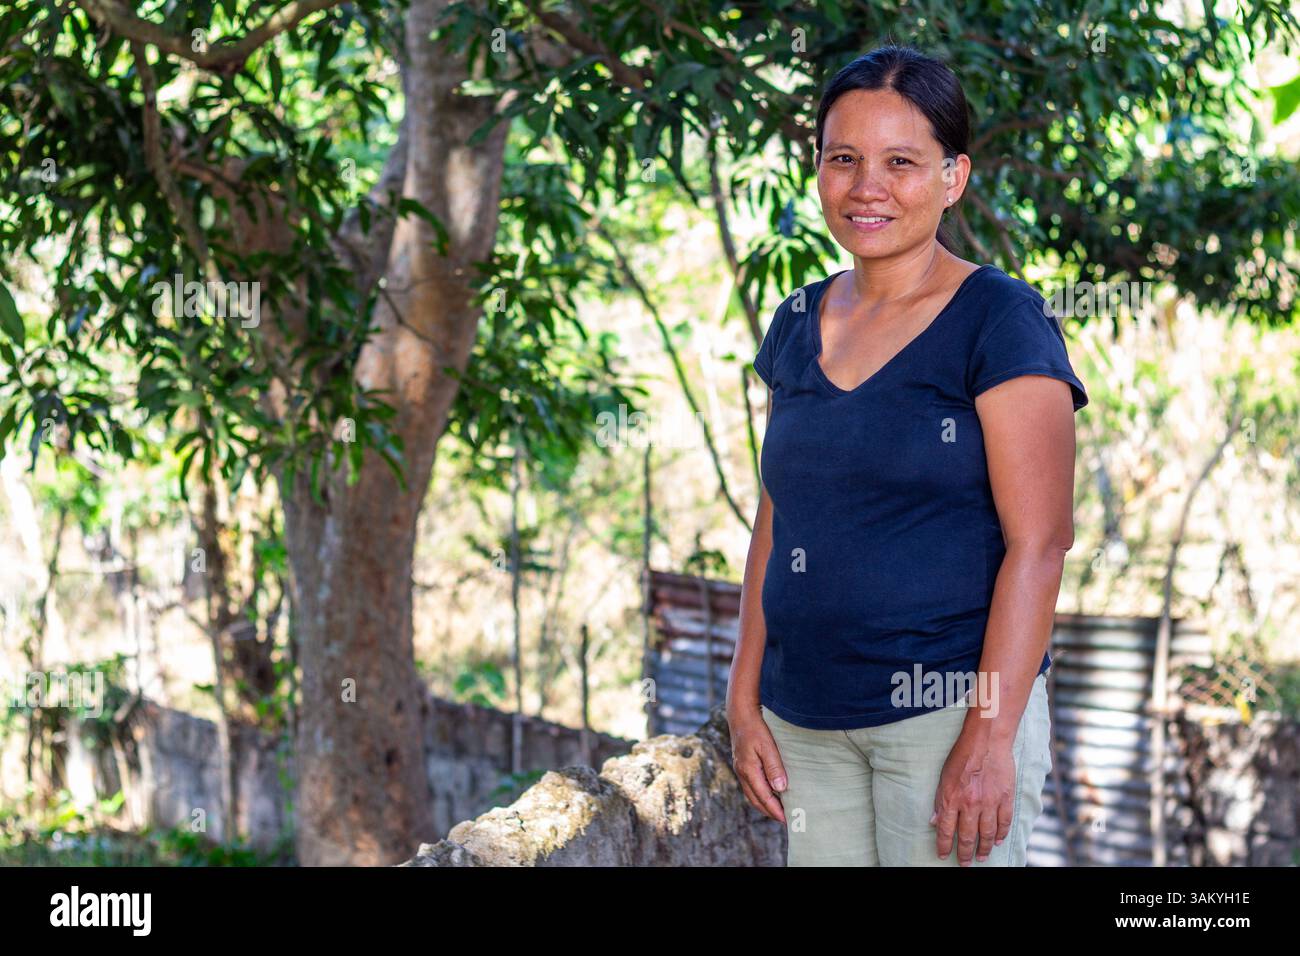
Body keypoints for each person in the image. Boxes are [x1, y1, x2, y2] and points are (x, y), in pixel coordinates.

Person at [726, 45, 1089, 867]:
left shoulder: (999, 320)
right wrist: (743, 696)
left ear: (953, 177)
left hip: (947, 720)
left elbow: (1041, 544)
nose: (868, 188)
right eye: (843, 159)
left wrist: (990, 739)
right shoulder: (795, 319)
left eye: (902, 162)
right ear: (816, 167)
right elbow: (777, 519)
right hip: (804, 725)